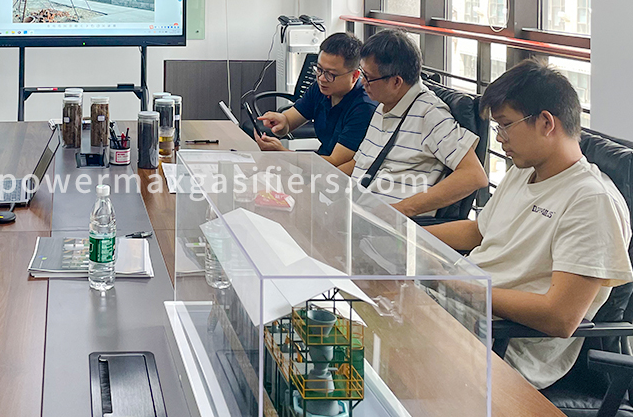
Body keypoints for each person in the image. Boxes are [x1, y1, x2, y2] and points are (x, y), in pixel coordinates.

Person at [427, 60, 633, 389]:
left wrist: (461, 287)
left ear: (546, 123)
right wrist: (404, 233)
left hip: (502, 346)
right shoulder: (524, 170)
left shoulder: (591, 201)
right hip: (458, 311)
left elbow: (560, 316)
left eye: (505, 125)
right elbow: (479, 232)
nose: (499, 138)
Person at [339, 29, 487, 217]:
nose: (362, 82)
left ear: (396, 82)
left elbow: (474, 176)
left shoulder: (430, 114)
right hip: (357, 213)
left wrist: (400, 211)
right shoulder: (384, 104)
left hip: (390, 229)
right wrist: (319, 179)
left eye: (368, 77)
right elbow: (360, 163)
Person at [255, 32, 376, 167]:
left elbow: (335, 163)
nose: (322, 78)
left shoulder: (364, 107)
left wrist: (282, 152)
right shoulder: (321, 88)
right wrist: (280, 122)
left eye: (331, 74)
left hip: (339, 176)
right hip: (319, 165)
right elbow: (288, 121)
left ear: (354, 76)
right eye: (319, 69)